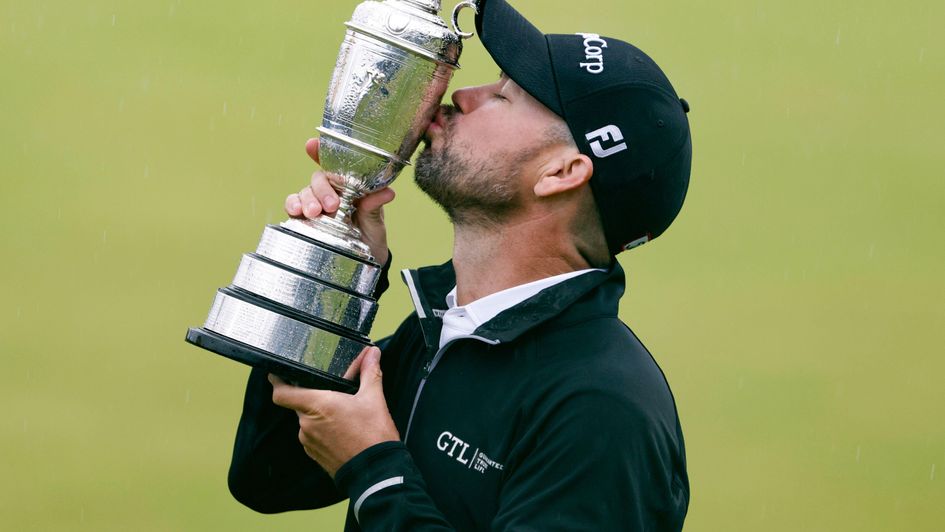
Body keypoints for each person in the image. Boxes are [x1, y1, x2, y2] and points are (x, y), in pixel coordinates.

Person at [226, 0, 692, 530]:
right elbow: (266, 475)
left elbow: (363, 469)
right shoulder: (449, 327)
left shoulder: (604, 412)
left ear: (561, 171)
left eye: (503, 95)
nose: (461, 96)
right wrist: (333, 281)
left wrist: (375, 470)